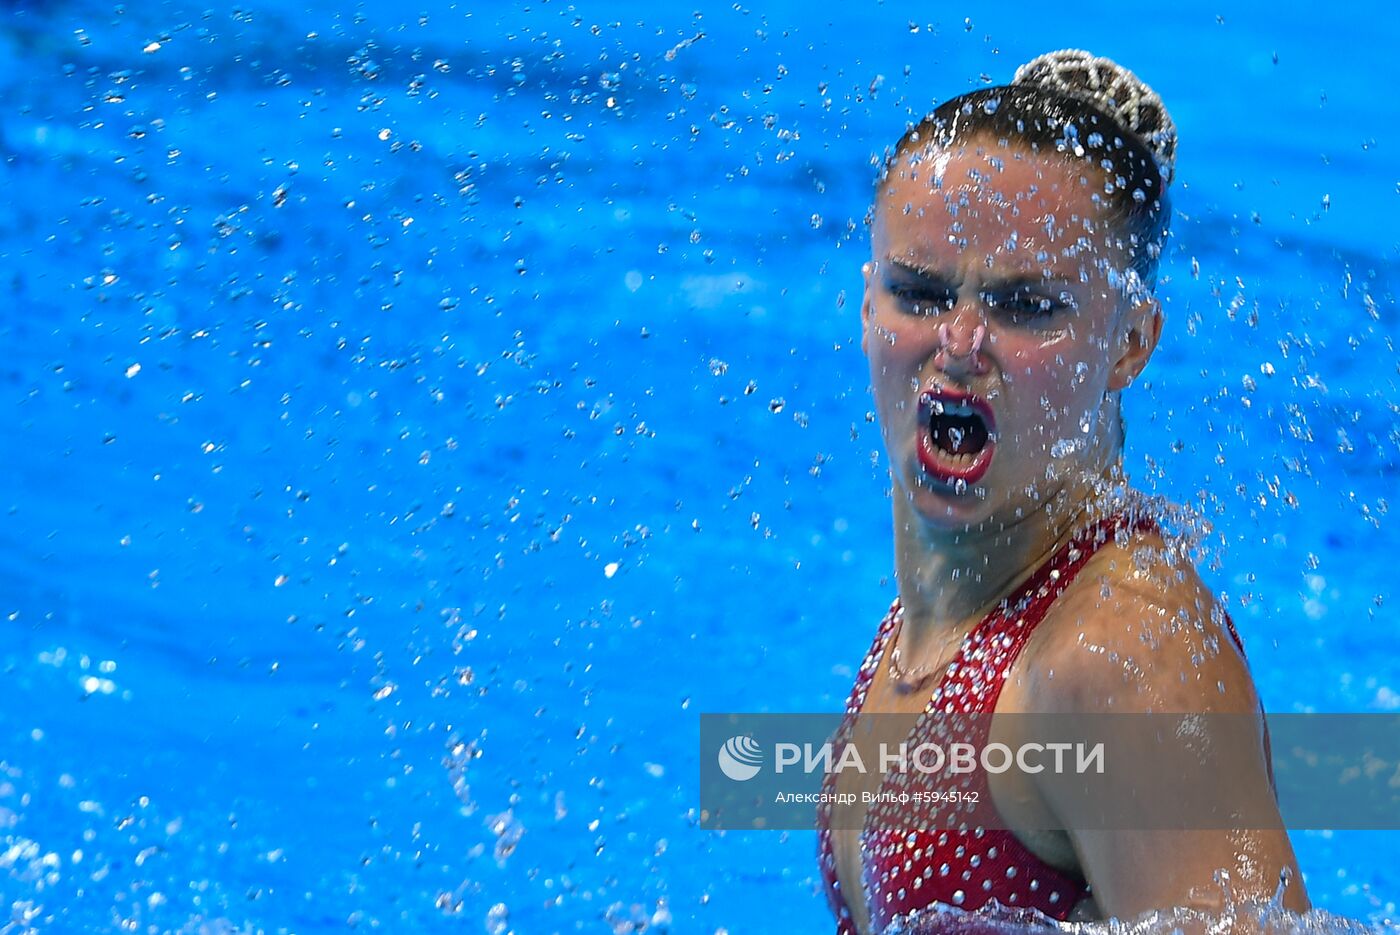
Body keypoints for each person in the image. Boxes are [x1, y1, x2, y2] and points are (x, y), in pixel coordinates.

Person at [817, 50, 1308, 934]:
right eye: (919, 293)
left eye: (1026, 306)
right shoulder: (946, 608)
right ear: (866, 304)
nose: (960, 342)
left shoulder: (1122, 657)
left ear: (1129, 341)